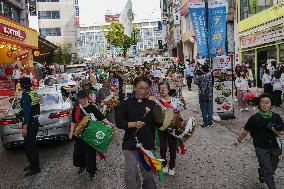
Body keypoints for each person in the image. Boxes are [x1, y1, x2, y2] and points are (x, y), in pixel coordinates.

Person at [116, 76, 163, 189]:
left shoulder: (153, 105)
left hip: (147, 143)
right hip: (130, 143)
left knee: (148, 174)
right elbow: (119, 122)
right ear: (134, 88)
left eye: (146, 88)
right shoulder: (125, 103)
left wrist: (161, 117)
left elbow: (159, 124)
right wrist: (132, 124)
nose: (143, 91)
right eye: (140, 88)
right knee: (130, 173)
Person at [233, 93, 284, 189]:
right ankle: (272, 186)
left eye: (267, 102)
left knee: (273, 167)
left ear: (271, 104)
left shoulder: (276, 117)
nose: (265, 105)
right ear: (259, 104)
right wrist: (238, 140)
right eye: (262, 102)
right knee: (268, 169)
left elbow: (282, 132)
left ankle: (262, 171)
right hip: (261, 147)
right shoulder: (254, 118)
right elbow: (246, 131)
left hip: (275, 147)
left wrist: (274, 130)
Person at [69, 91, 115, 180]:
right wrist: (71, 131)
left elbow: (101, 117)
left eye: (83, 99)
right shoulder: (76, 108)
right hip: (80, 135)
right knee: (78, 153)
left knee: (89, 154)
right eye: (79, 99)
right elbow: (73, 121)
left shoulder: (92, 108)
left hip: (90, 135)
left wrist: (111, 124)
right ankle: (82, 166)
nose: (81, 101)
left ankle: (92, 171)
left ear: (87, 98)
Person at [158, 83, 186, 176]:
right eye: (161, 89)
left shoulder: (175, 100)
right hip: (162, 128)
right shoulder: (158, 102)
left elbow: (182, 108)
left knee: (172, 147)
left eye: (165, 88)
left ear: (168, 89)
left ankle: (172, 166)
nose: (163, 90)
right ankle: (164, 164)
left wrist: (183, 101)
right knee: (162, 147)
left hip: (173, 127)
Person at [19, 77, 41, 176]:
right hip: (35, 121)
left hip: (30, 123)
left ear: (22, 85)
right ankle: (33, 164)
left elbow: (27, 113)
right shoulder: (33, 93)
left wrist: (24, 127)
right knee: (30, 145)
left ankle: (35, 167)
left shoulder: (26, 96)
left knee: (29, 146)